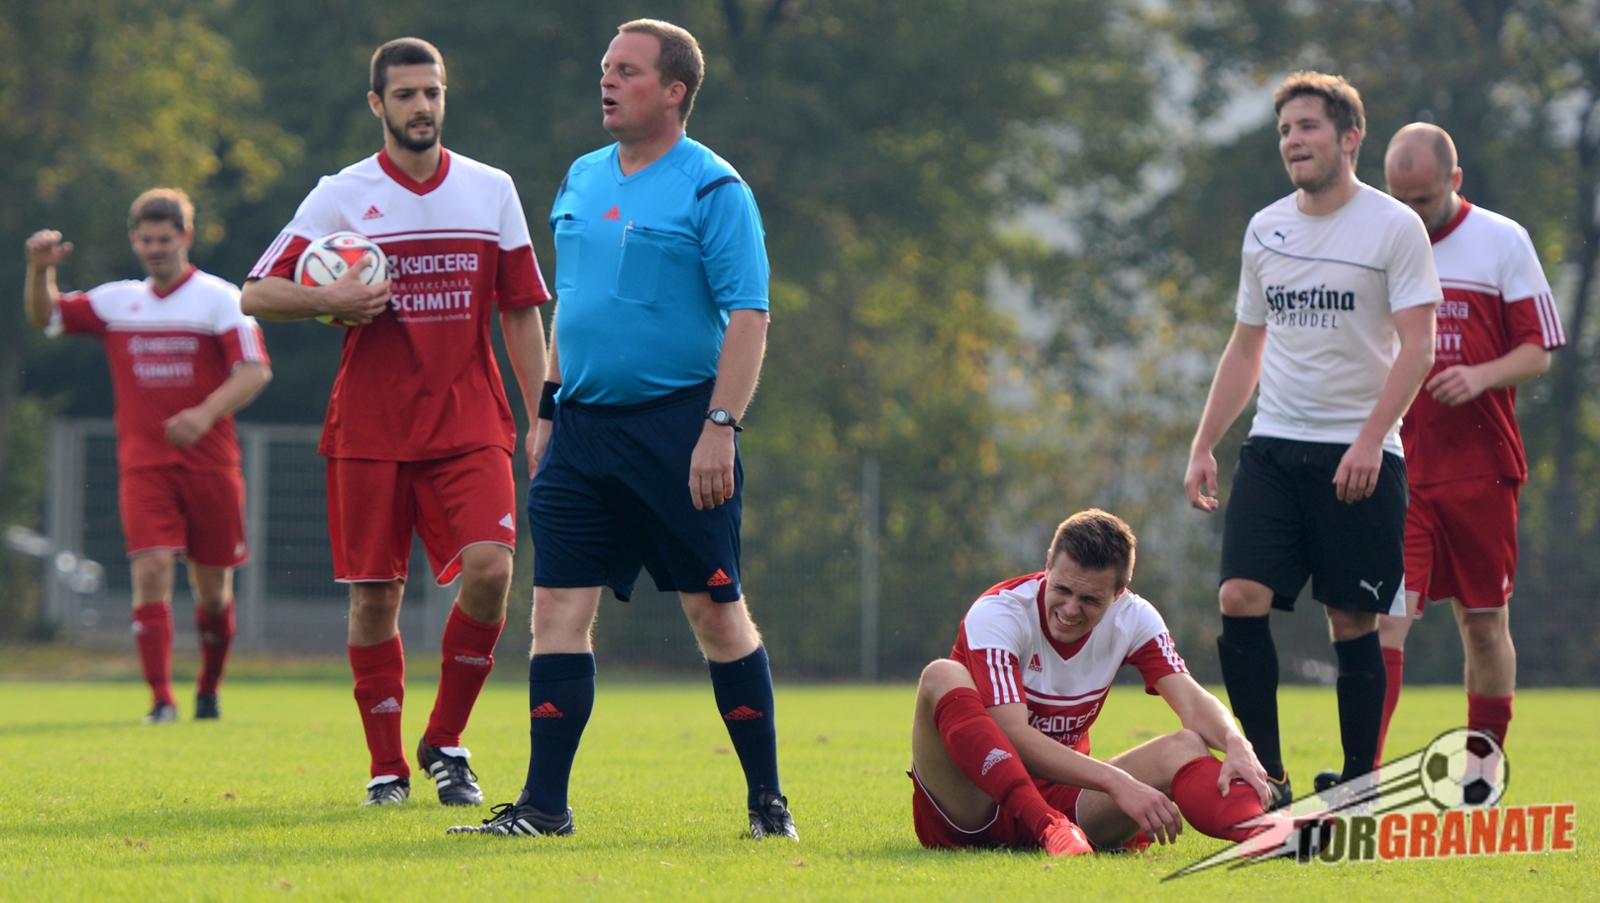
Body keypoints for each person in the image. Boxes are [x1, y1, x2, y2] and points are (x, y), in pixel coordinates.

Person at [450, 19, 788, 840]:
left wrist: (720, 425)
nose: (607, 81)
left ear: (674, 91)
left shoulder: (714, 188)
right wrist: (546, 409)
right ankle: (544, 807)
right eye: (606, 67)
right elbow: (574, 305)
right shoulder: (581, 175)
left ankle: (767, 803)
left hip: (679, 431)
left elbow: (749, 316)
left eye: (627, 71)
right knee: (556, 610)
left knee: (716, 614)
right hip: (580, 433)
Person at [241, 37, 550, 807]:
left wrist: (542, 414)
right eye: (406, 94)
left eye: (432, 92)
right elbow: (256, 292)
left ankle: (445, 739)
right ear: (378, 104)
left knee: (492, 570)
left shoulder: (491, 189)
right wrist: (329, 298)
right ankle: (387, 767)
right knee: (375, 597)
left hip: (469, 418)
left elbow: (519, 310)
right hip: (370, 427)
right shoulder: (341, 194)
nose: (422, 106)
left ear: (445, 97)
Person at [1183, 71, 1442, 806]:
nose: (1293, 141)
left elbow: (1419, 347)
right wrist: (1204, 443)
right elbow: (1246, 346)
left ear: (1349, 137)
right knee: (1239, 594)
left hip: (1361, 456)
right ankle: (1267, 777)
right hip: (1273, 448)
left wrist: (1370, 439)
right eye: (1285, 130)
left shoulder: (1395, 226)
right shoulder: (1266, 229)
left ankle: (1358, 784)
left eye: (1308, 127)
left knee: (1351, 617)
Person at [24, 189, 272, 724]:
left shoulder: (219, 298)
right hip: (144, 466)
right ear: (134, 242)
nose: (155, 248)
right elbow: (48, 317)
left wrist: (203, 414)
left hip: (210, 465)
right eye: (146, 240)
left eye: (165, 239)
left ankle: (208, 689)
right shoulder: (117, 302)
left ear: (186, 237)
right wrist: (40, 270)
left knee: (213, 592)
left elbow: (255, 370)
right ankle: (161, 700)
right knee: (152, 569)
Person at [911, 509, 1275, 855]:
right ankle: (1047, 825)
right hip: (975, 803)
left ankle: (1267, 832)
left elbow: (1191, 701)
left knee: (1186, 745)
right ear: (1049, 563)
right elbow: (1012, 736)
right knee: (941, 674)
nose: (1071, 609)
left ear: (1118, 595)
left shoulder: (1134, 617)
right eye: (1062, 590)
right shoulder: (1000, 613)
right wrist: (1117, 781)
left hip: (1069, 806)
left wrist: (1236, 743)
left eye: (1090, 600)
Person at [1368, 123, 1565, 761]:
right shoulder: (1375, 243)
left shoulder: (1502, 240)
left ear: (1454, 181)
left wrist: (1480, 375)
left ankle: (1482, 768)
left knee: (1482, 623)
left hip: (1482, 470)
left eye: (1422, 200)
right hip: (1399, 465)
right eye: (1398, 198)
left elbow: (1539, 350)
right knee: (1385, 621)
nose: (1409, 213)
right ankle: (1363, 778)